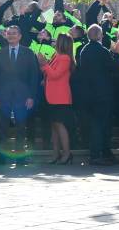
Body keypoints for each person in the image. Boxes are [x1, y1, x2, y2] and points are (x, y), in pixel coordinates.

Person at [0, 25, 39, 166]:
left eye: (14, 33)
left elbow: (33, 76)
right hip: (3, 97)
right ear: (5, 35)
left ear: (20, 36)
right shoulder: (0, 53)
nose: (11, 36)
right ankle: (2, 158)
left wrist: (31, 97)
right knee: (2, 128)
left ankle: (20, 158)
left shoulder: (29, 53)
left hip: (22, 97)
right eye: (8, 33)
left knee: (21, 127)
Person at [78, 24, 117, 166]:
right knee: (101, 125)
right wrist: (116, 54)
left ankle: (102, 153)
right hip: (102, 93)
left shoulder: (84, 50)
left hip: (88, 93)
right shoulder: (103, 51)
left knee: (96, 124)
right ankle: (99, 154)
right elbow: (114, 68)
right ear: (100, 35)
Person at [38, 33, 74, 165]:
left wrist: (44, 64)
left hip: (60, 97)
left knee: (60, 125)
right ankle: (56, 154)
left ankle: (66, 153)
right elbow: (48, 72)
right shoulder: (57, 56)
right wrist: (44, 65)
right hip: (51, 96)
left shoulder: (65, 58)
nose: (53, 42)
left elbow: (55, 75)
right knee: (54, 126)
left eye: (56, 40)